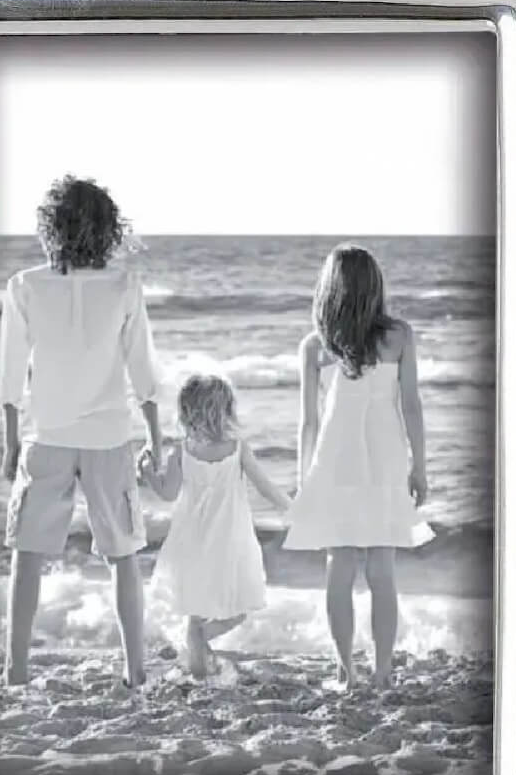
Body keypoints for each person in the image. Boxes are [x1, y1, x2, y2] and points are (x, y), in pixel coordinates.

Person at [0, 175, 162, 688]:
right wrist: (156, 439)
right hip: (108, 437)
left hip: (45, 436)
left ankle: (15, 670)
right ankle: (135, 670)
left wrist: (9, 441)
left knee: (27, 557)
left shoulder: (25, 285)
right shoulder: (123, 284)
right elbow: (143, 370)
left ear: (51, 227)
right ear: (109, 228)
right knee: (122, 556)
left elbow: (10, 372)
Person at [283, 244, 434, 689]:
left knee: (340, 566)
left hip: (336, 459)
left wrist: (303, 479)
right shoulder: (399, 336)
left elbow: (309, 422)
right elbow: (411, 406)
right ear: (375, 287)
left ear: (327, 290)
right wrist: (419, 466)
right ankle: (383, 672)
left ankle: (346, 671)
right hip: (385, 456)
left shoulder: (316, 346)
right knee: (382, 570)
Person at [140, 374, 291, 677]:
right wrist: (291, 507)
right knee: (239, 608)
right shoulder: (237, 448)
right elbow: (265, 487)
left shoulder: (181, 451)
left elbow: (167, 493)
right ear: (227, 410)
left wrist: (147, 472)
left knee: (195, 613)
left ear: (186, 412)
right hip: (229, 539)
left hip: (191, 539)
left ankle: (198, 662)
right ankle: (201, 650)